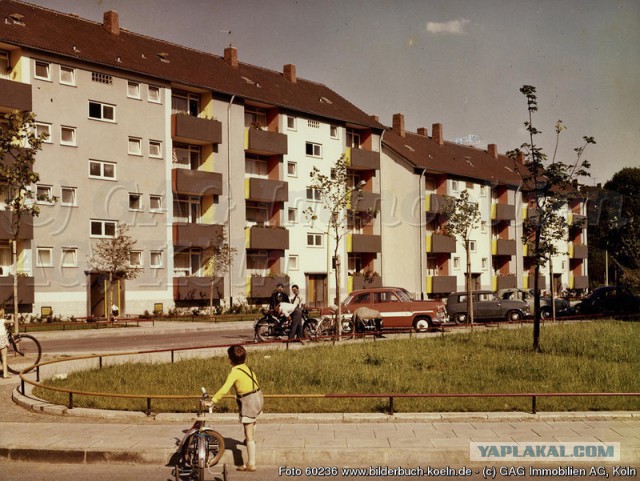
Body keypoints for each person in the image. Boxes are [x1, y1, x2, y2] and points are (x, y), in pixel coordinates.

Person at [210, 345, 263, 472]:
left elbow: (225, 388)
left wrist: (213, 401)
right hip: (258, 397)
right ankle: (249, 444)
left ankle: (251, 463)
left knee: (248, 431)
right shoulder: (247, 368)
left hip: (249, 401)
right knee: (252, 423)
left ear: (230, 360)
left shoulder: (235, 372)